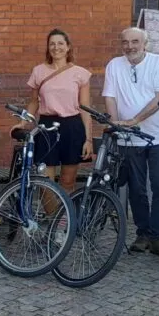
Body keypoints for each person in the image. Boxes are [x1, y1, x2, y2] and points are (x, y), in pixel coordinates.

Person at [102, 27, 159, 260]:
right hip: (129, 138)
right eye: (125, 42)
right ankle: (143, 234)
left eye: (135, 41)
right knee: (136, 188)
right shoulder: (114, 65)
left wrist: (135, 120)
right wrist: (116, 122)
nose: (130, 46)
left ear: (145, 43)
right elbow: (110, 96)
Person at [17, 29, 93, 195]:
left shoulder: (80, 73)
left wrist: (88, 139)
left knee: (68, 180)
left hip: (73, 126)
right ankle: (53, 218)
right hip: (47, 126)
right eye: (52, 43)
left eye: (60, 43)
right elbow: (33, 101)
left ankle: (64, 221)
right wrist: (24, 121)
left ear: (68, 47)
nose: (56, 47)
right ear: (48, 47)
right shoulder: (39, 71)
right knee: (45, 181)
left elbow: (85, 107)